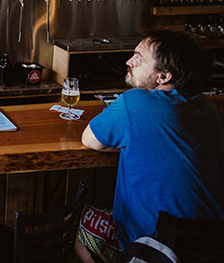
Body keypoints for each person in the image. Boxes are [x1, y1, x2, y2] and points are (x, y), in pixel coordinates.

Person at [76, 31, 224, 263]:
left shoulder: (135, 102)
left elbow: (90, 140)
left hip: (156, 249)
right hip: (210, 246)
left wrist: (134, 143)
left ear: (163, 76)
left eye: (138, 57)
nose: (128, 62)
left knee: (80, 223)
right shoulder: (208, 107)